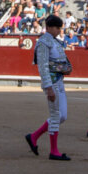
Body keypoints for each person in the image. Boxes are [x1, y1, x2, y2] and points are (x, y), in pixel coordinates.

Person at [24, 14, 72, 161]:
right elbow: (43, 67)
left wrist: (67, 68)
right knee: (56, 115)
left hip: (59, 81)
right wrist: (48, 87)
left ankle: (34, 136)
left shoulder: (55, 42)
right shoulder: (44, 42)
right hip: (52, 82)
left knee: (62, 116)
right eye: (57, 28)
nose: (59, 30)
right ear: (49, 27)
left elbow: (63, 62)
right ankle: (54, 151)